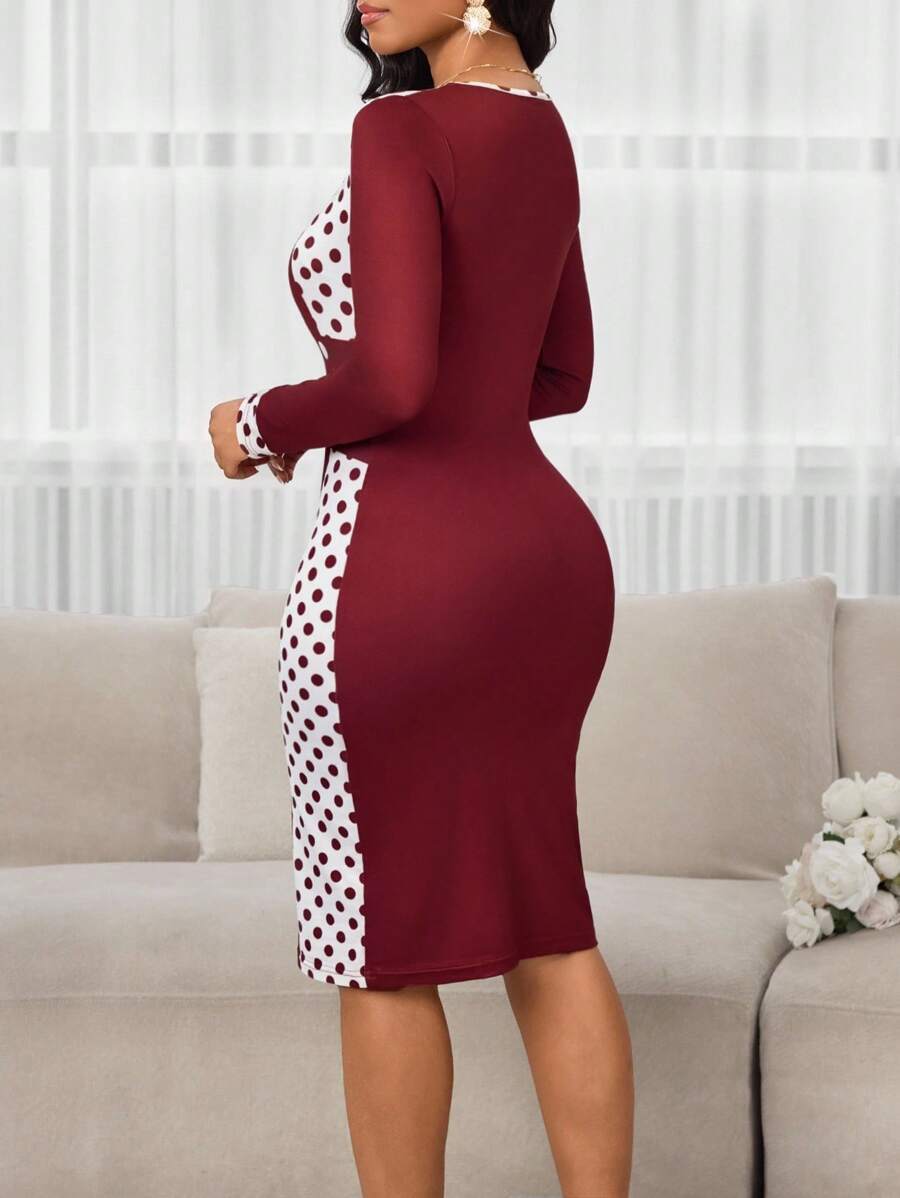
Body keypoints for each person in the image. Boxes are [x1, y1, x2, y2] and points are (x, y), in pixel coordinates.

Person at [209, 2, 633, 1194]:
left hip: (400, 579)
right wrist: (463, 409)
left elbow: (392, 381)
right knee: (549, 924)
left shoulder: (400, 131)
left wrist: (258, 423)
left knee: (379, 941)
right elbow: (562, 373)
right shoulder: (542, 127)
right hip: (545, 564)